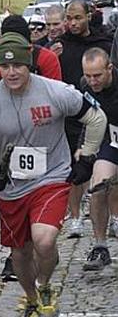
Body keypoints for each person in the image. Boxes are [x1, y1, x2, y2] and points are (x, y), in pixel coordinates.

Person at [0, 33, 106, 317]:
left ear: (29, 64)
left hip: (51, 177)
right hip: (11, 185)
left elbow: (96, 117)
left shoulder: (56, 91)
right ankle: (31, 297)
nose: (12, 72)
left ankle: (44, 285)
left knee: (43, 238)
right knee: (20, 252)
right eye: (5, 67)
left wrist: (88, 156)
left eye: (18, 65)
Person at [55, 0, 111, 238]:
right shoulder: (59, 45)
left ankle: (112, 215)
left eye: (77, 18)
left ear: (88, 16)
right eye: (68, 18)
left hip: (104, 116)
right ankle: (75, 217)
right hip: (71, 115)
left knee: (106, 170)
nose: (72, 23)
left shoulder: (103, 42)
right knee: (75, 169)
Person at [81, 48, 118, 271]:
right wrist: (82, 150)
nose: (93, 81)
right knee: (98, 187)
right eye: (88, 75)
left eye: (98, 76)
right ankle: (100, 246)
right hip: (111, 141)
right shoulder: (84, 87)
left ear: (110, 69)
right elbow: (82, 119)